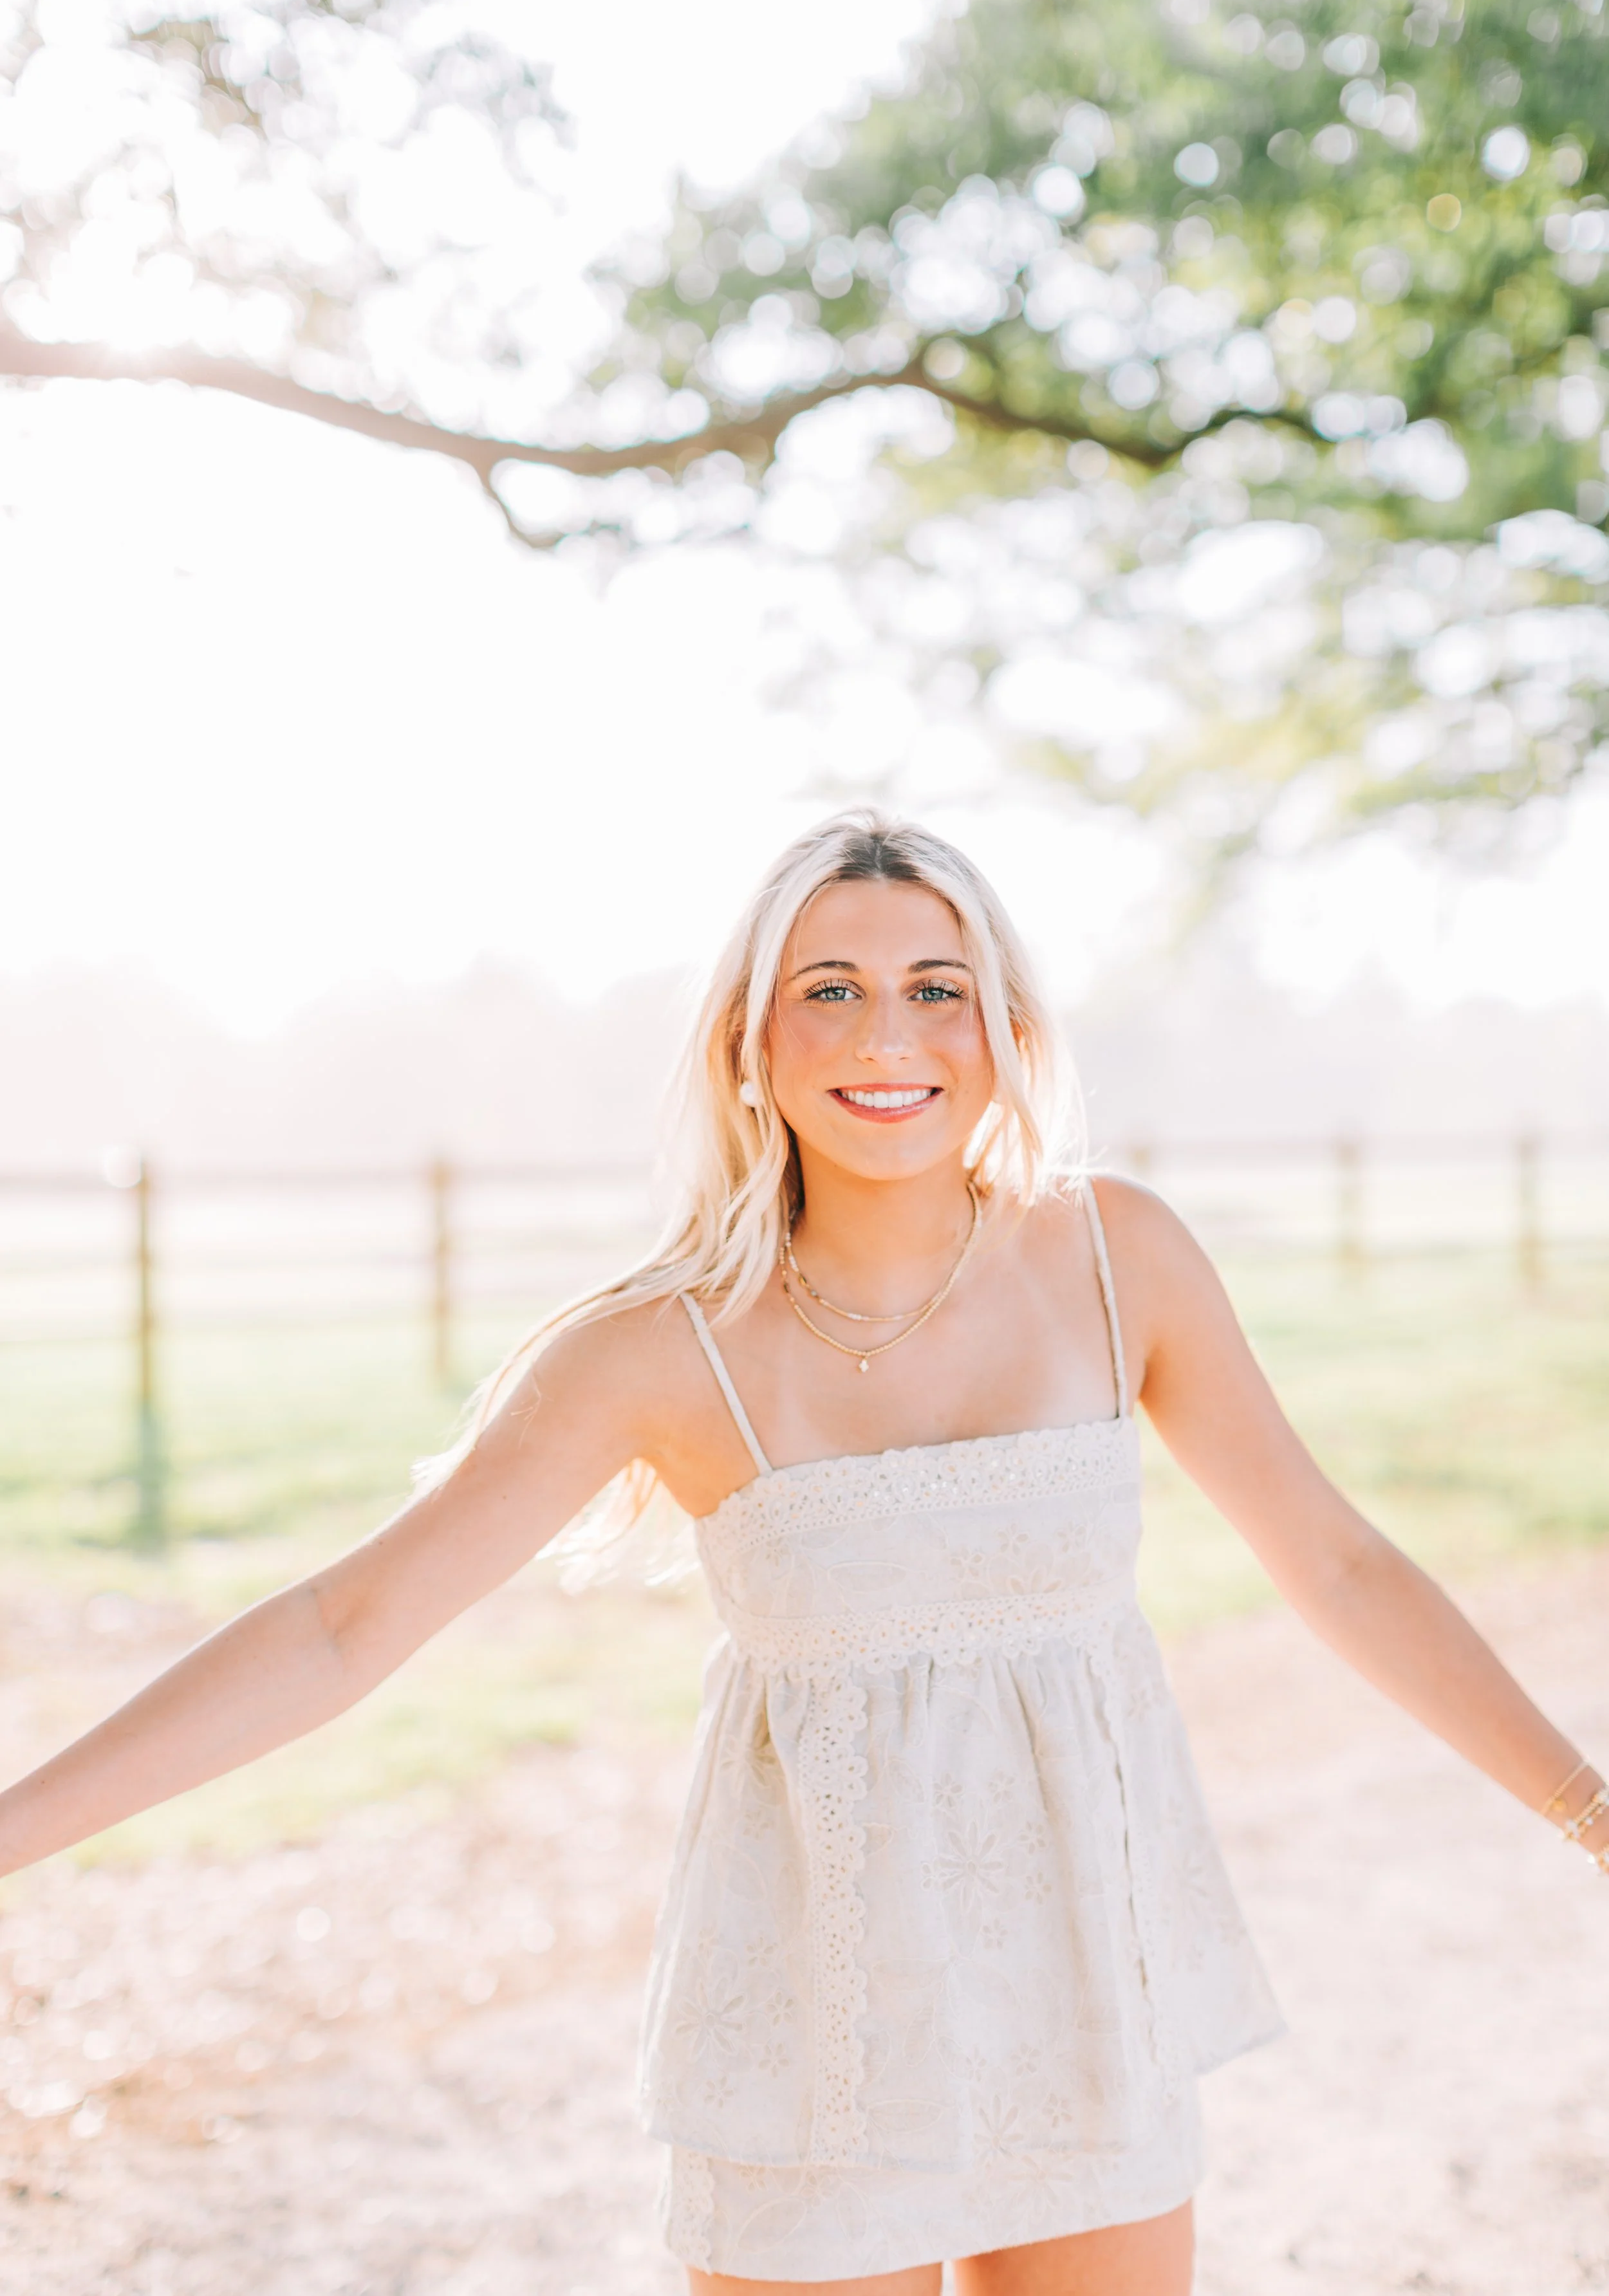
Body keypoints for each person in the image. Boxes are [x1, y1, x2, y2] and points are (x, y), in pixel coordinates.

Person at [1, 811, 1604, 2296]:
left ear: (1002, 1032)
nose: (886, 1036)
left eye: (934, 990)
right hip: (810, 2024)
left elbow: (1336, 1564)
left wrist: (1584, 1810)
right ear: (747, 1044)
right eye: (827, 989)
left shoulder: (1120, 1257)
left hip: (1082, 1993)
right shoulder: (656, 1349)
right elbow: (341, 1628)